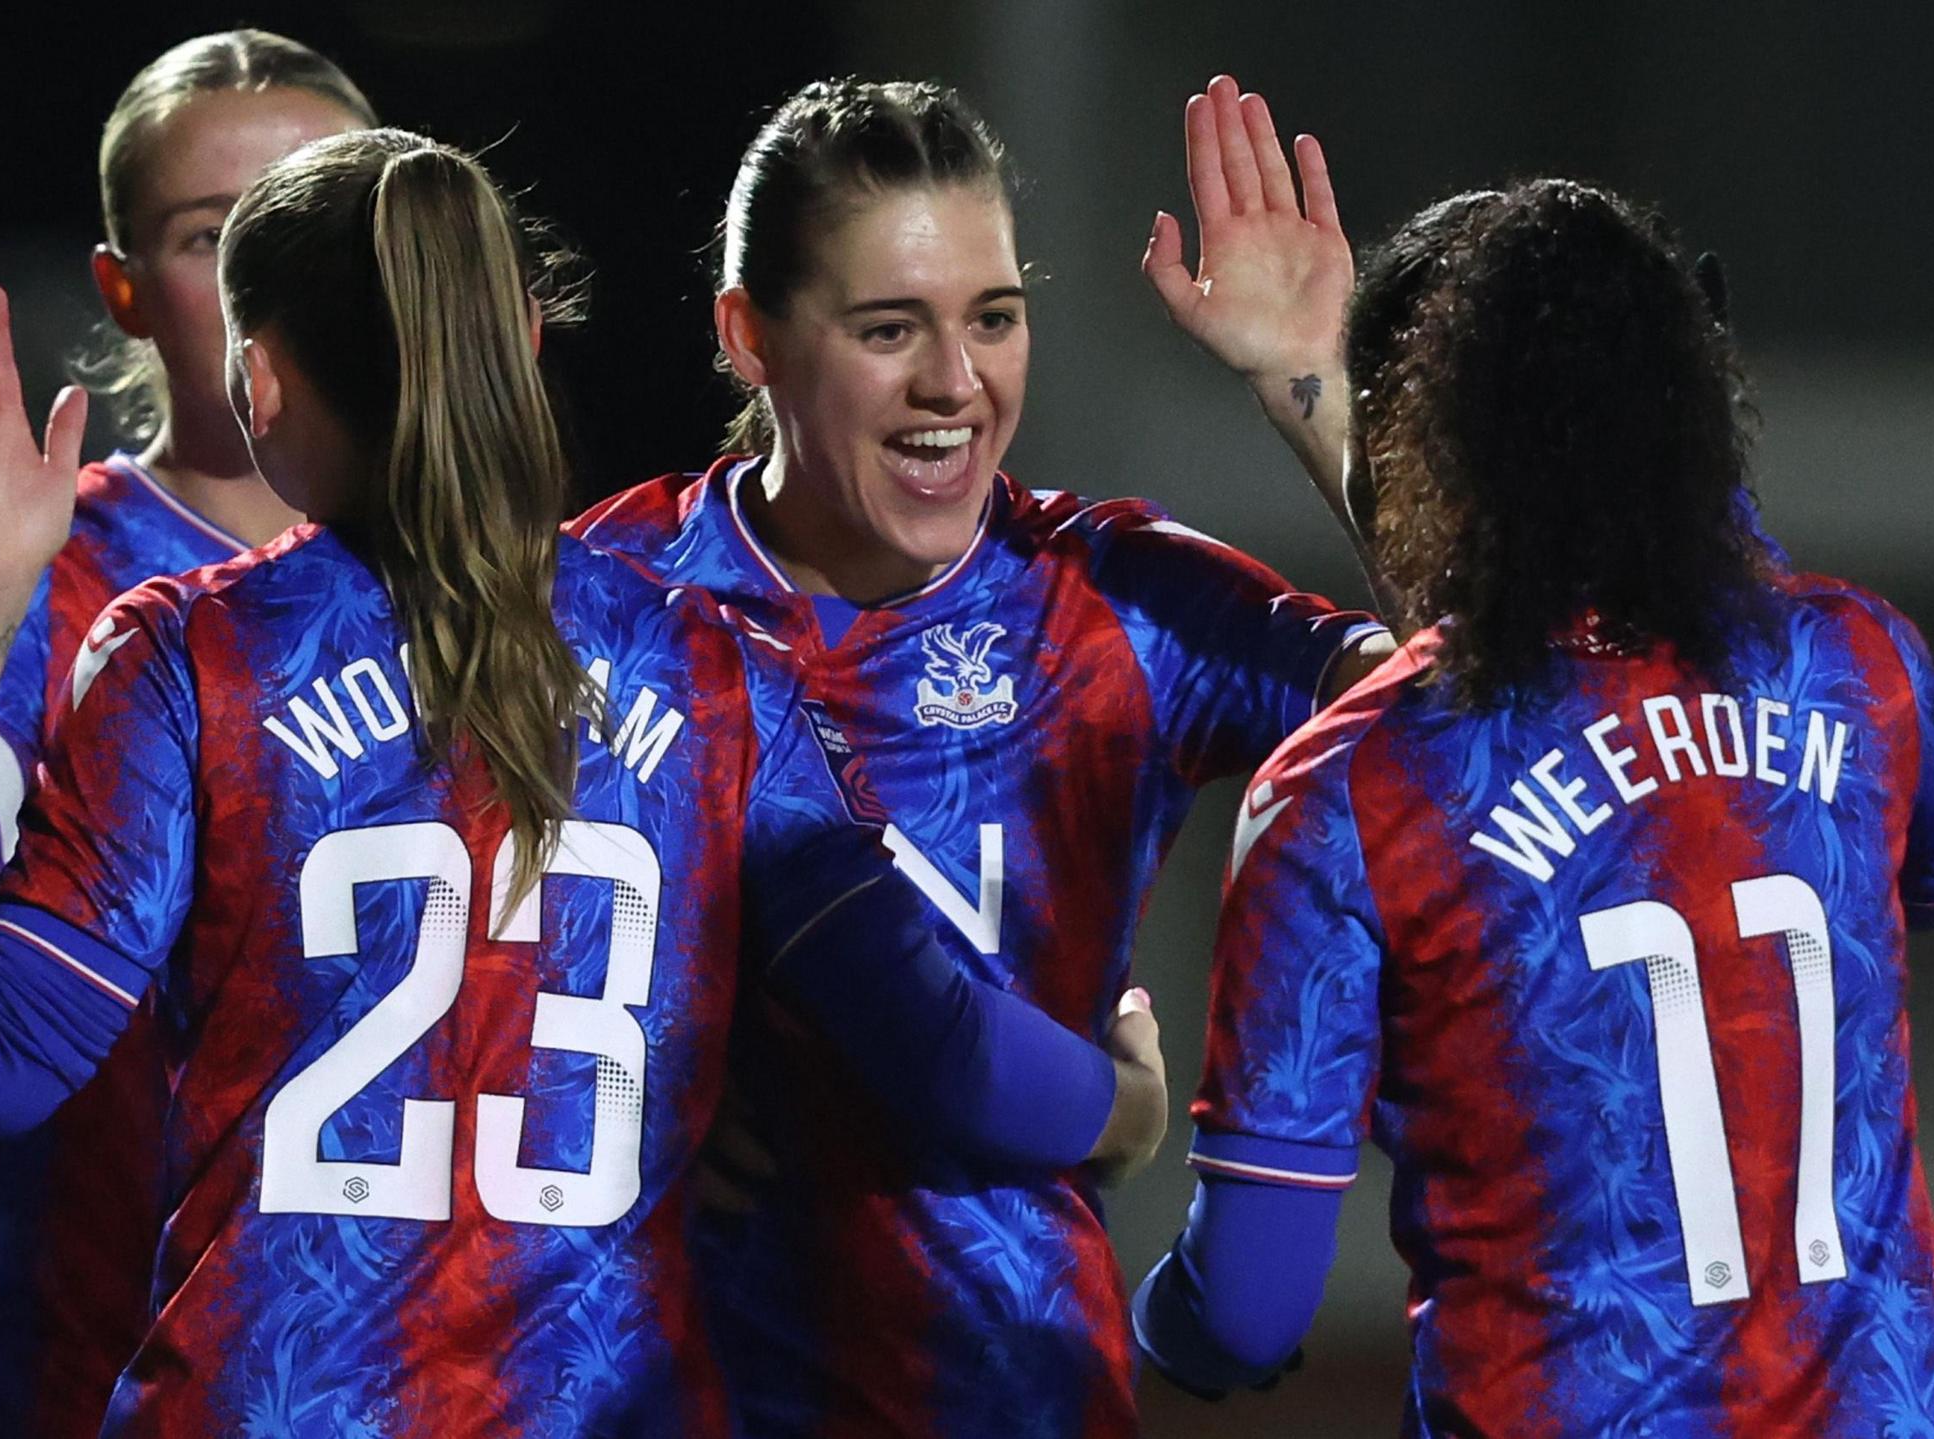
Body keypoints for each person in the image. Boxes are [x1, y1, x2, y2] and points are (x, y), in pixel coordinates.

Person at [0, 125, 1164, 1435]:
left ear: (258, 381)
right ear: (522, 340)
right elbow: (945, 1045)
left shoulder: (195, 652)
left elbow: (1, 1061)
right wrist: (1119, 1102)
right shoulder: (714, 666)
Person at [571, 75, 1386, 1436]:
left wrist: (1318, 390)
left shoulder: (1116, 601)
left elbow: (1480, 702)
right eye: (891, 327)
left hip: (1014, 1393)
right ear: (750, 335)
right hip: (673, 1393)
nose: (955, 383)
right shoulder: (607, 597)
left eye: (994, 319)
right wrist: (606, 1095)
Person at [1132, 179, 1934, 1435]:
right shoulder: (1860, 669)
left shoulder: (1346, 793)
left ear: (1424, 448)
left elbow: (1247, 1309)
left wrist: (1140, 1312)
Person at [0, 31, 378, 1435]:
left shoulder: (482, 570)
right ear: (122, 288)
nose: (266, 280)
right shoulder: (62, 561)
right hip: (66, 1357)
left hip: (378, 1361)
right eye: (209, 234)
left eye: (313, 219)